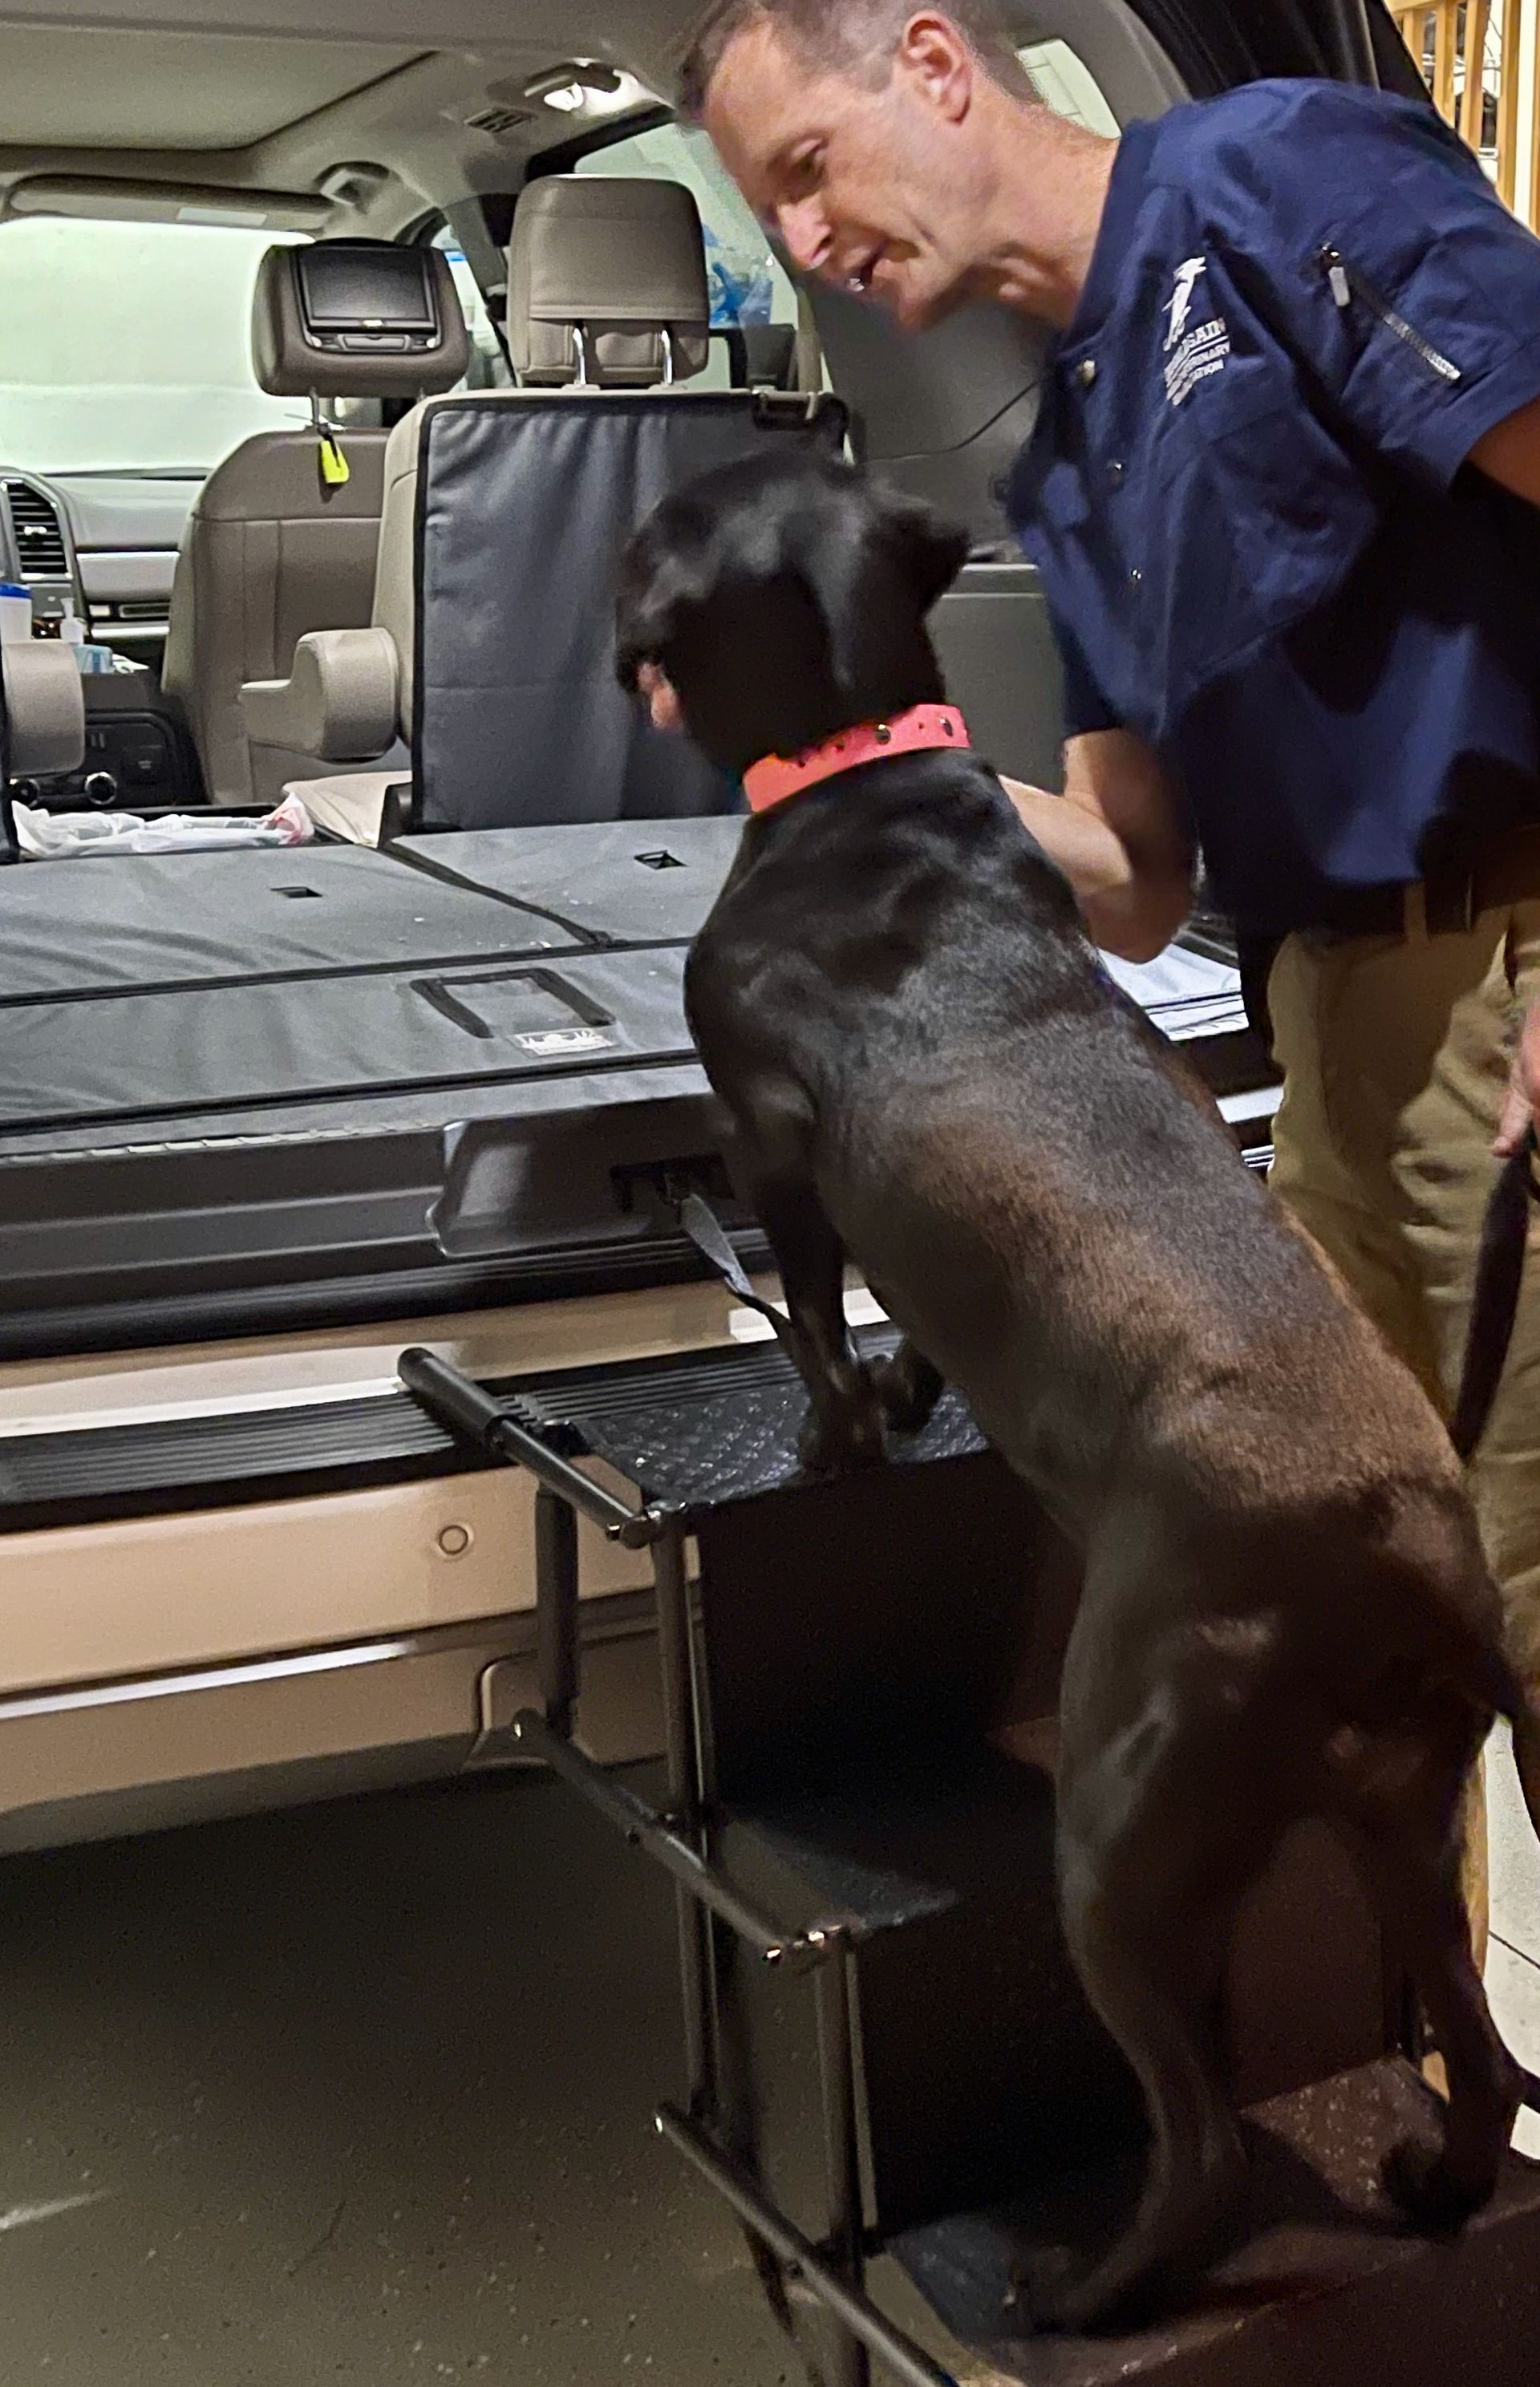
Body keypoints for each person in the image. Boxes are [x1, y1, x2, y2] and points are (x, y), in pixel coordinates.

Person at [679, 0, 1540, 1915]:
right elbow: (1137, 876)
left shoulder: (1276, 179)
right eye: (767, 214)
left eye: (807, 170)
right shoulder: (1068, 457)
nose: (804, 242)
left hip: (1508, 971)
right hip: (1330, 1046)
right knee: (1381, 1635)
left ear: (931, 63)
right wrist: (852, 766)